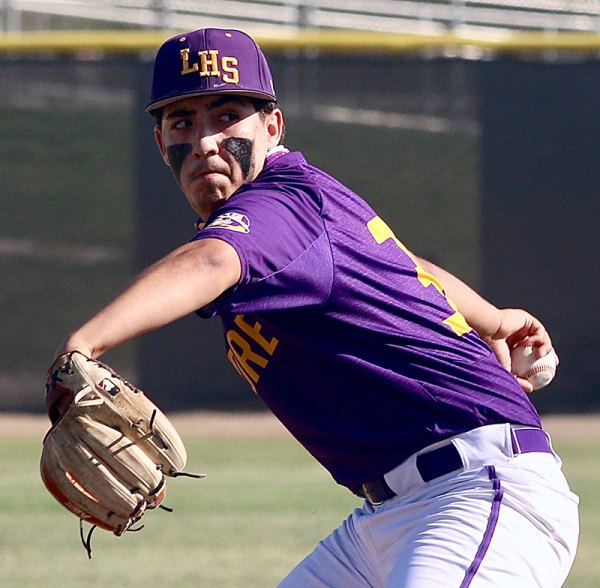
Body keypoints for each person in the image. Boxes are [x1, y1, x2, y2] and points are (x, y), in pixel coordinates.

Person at [53, 28, 578, 587]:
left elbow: (211, 262)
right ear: (161, 144)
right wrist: (493, 319)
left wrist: (82, 346)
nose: (205, 140)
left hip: (476, 495)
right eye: (183, 122)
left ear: (272, 127)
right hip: (384, 518)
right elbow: (402, 260)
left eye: (227, 115)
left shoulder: (279, 206)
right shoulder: (301, 217)